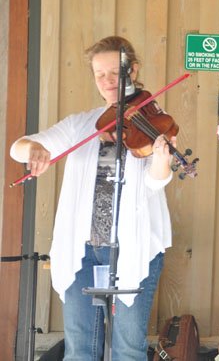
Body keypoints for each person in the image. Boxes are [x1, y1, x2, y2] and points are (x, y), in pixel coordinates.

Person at [10, 36, 176, 360]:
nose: (108, 82)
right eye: (100, 74)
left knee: (128, 349)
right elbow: (19, 146)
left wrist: (161, 158)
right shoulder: (81, 125)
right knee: (80, 350)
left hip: (134, 246)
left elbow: (156, 183)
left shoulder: (150, 121)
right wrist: (35, 150)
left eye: (115, 72)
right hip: (82, 250)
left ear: (134, 69)